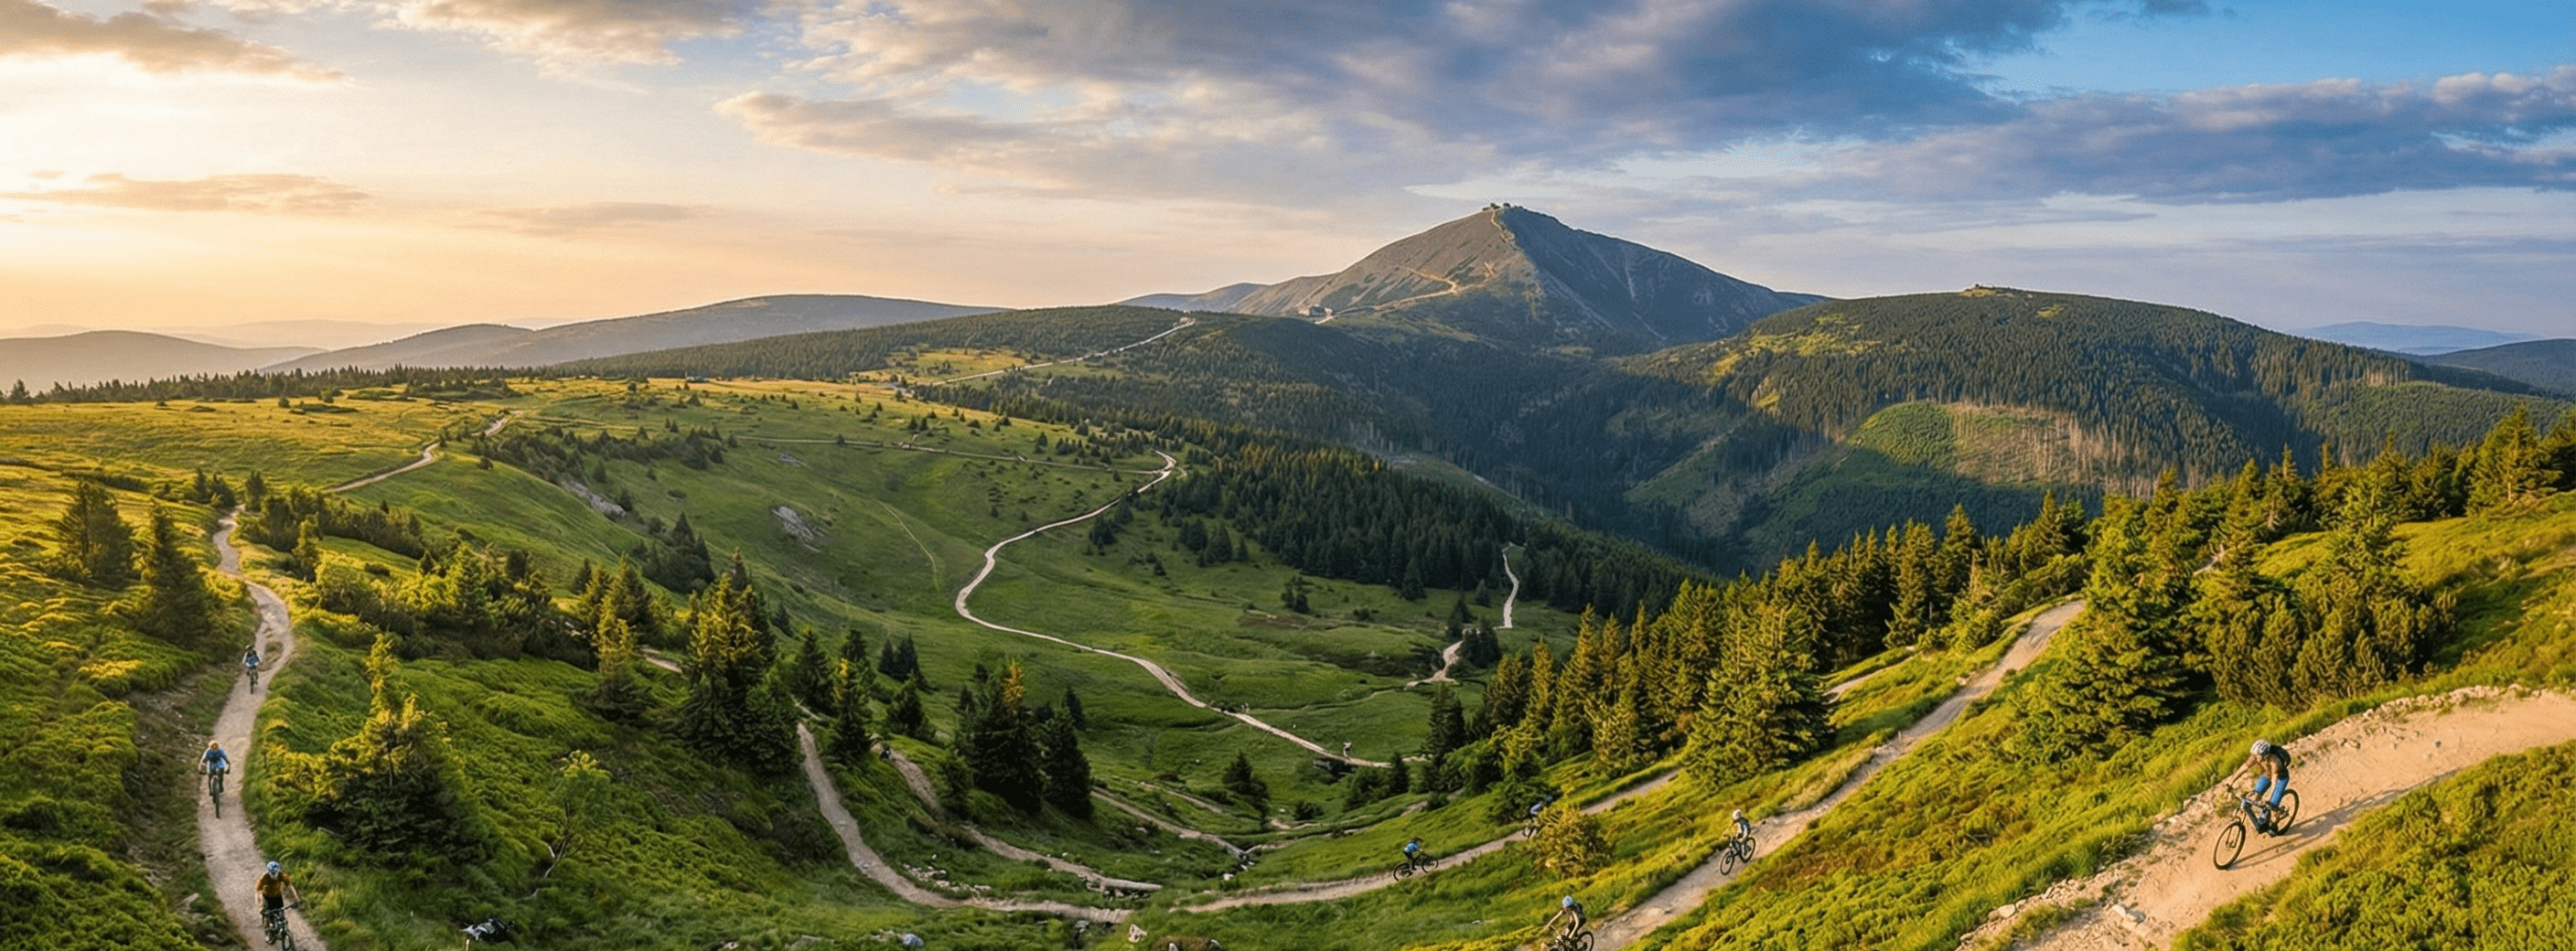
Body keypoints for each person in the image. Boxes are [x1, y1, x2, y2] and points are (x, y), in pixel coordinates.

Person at [2242, 740, 2292, 833]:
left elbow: (2274, 781)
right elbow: (2243, 768)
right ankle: (2261, 823)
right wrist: (2230, 781)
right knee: (2253, 796)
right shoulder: (2255, 756)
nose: (2255, 758)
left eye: (2257, 756)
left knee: (2272, 804)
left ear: (2264, 755)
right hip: (2267, 775)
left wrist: (2269, 800)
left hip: (2280, 779)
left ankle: (2275, 821)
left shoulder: (2274, 762)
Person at [255, 860, 304, 936]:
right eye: (272, 874)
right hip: (267, 897)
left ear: (278, 871)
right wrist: (260, 906)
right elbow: (258, 893)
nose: (274, 876)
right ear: (268, 872)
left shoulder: (282, 876)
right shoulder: (264, 878)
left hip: (277, 896)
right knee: (268, 914)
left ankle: (283, 929)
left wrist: (297, 899)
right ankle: (267, 932)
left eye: (276, 873)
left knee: (281, 914)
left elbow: (290, 887)